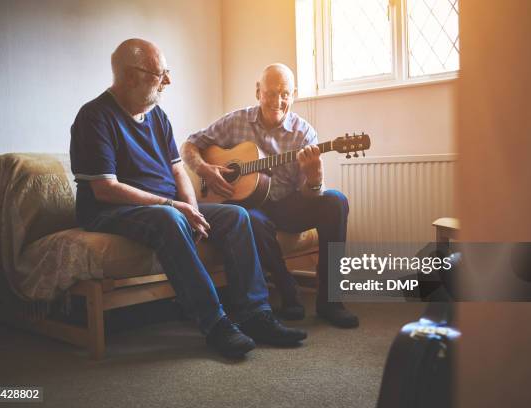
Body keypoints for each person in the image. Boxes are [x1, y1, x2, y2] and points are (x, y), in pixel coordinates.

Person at [69, 39, 306, 359]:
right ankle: (215, 323)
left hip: (165, 207)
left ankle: (255, 314)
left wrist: (193, 209)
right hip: (112, 209)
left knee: (237, 215)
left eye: (167, 72)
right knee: (171, 218)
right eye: (159, 74)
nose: (168, 81)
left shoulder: (158, 117)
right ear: (129, 77)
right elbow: (105, 189)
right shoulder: (95, 117)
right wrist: (173, 206)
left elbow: (179, 171)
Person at [182, 63, 359, 328]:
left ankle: (330, 302)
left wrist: (315, 179)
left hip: (289, 203)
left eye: (285, 93)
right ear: (258, 92)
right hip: (251, 206)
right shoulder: (235, 121)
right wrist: (205, 169)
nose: (278, 101)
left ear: (294, 94)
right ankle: (288, 292)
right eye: (271, 92)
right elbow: (189, 145)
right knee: (250, 219)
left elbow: (308, 196)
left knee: (336, 201)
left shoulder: (304, 133)